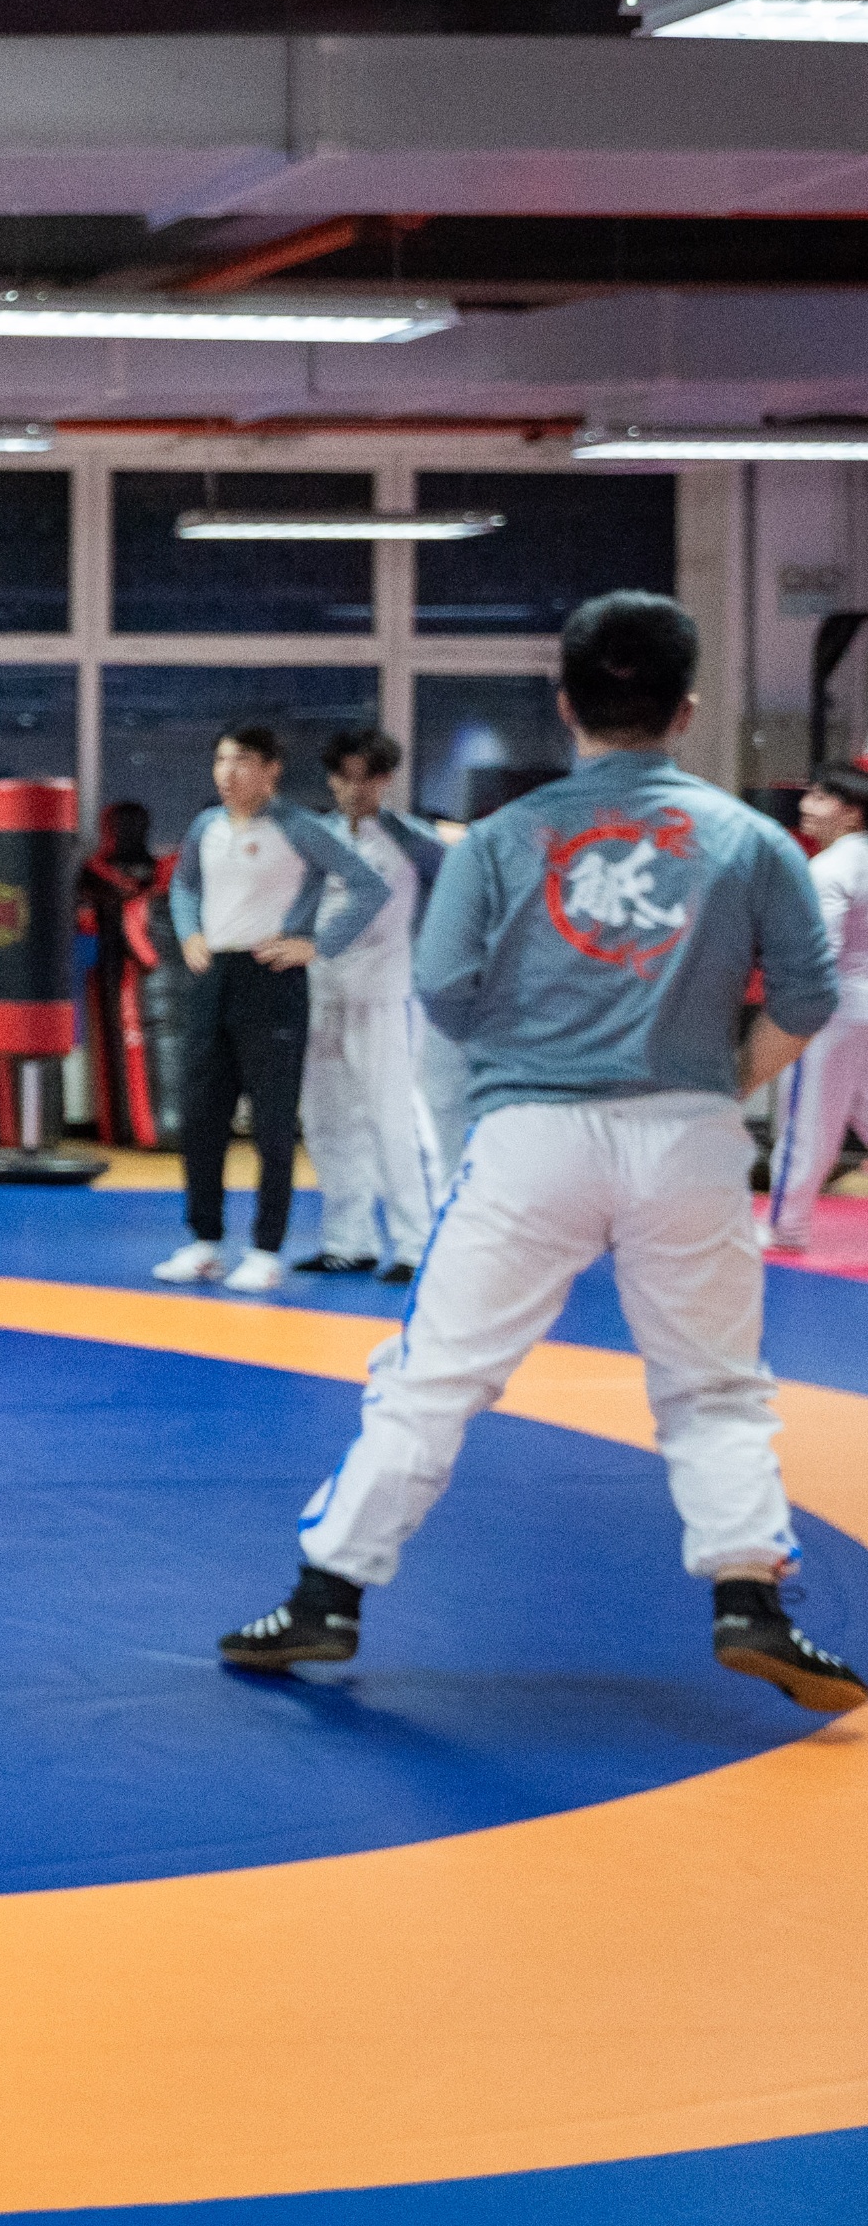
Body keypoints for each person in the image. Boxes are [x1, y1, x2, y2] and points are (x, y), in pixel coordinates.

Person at [220, 593, 861, 1714]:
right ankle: (750, 1600)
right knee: (715, 1388)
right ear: (688, 709)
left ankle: (326, 1597)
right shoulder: (753, 841)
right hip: (688, 1136)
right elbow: (806, 998)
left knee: (433, 1376)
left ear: (565, 704)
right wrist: (718, 1083)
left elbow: (443, 990)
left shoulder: (504, 838)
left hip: (534, 1138)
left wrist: (538, 1053)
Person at [151, 724, 382, 1295]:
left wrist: (316, 944)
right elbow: (184, 886)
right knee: (201, 1118)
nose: (227, 774)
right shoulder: (206, 826)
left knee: (273, 1125)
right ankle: (205, 1242)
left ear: (271, 769)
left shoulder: (298, 828)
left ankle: (266, 1250)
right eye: (220, 761)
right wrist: (189, 933)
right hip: (212, 978)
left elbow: (368, 886)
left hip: (272, 979)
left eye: (242, 762)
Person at [299, 728, 454, 1279]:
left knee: (395, 1122)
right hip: (321, 996)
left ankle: (419, 1243)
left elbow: (470, 886)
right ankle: (348, 1240)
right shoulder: (313, 839)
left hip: (387, 998)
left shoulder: (414, 841)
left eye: (365, 778)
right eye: (343, 778)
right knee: (327, 1121)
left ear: (385, 779)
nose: (353, 789)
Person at [764, 757, 868, 1249]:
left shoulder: (829, 868)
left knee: (807, 1121)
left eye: (821, 797)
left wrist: (794, 1011)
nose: (806, 805)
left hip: (834, 1012)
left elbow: (818, 954)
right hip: (858, 1009)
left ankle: (787, 1226)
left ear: (852, 811)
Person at [79, 800, 166, 1148]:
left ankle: (144, 1127)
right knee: (115, 1045)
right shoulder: (95, 873)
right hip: (112, 967)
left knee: (151, 1045)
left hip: (148, 968)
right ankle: (119, 1127)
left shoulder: (156, 870)